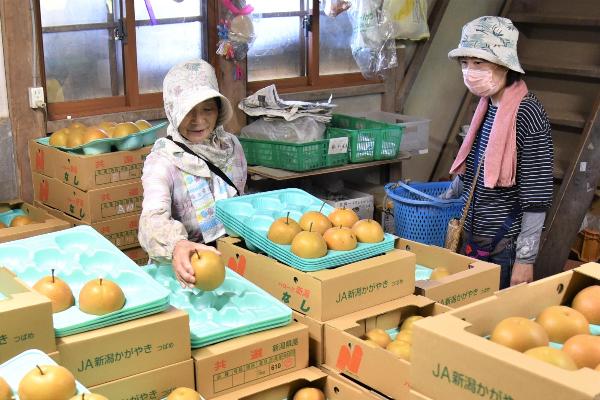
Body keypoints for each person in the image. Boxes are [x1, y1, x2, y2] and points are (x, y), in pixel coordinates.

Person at [442, 16, 554, 289]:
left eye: (479, 63)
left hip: (505, 246)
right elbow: (476, 164)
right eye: (465, 63)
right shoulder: (486, 105)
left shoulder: (528, 112)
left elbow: (536, 195)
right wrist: (445, 195)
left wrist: (525, 259)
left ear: (504, 65)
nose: (470, 71)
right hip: (471, 236)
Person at [138, 59, 247, 288]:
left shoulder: (231, 147)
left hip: (232, 265)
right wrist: (178, 245)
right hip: (185, 270)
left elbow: (240, 202)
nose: (199, 121)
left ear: (218, 110)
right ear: (172, 111)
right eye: (188, 111)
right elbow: (152, 220)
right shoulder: (163, 159)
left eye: (207, 109)